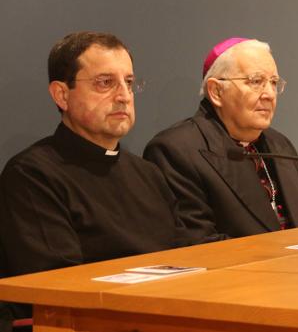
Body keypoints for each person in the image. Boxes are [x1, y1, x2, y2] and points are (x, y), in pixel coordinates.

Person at [0, 31, 186, 327]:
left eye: (128, 82)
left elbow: (186, 259)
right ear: (62, 94)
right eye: (105, 83)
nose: (124, 96)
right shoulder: (32, 175)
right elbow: (59, 285)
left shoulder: (148, 173)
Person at [144, 37, 298, 241]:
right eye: (256, 81)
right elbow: (198, 244)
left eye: (273, 83)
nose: (270, 94)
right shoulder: (176, 150)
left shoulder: (280, 144)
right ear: (216, 91)